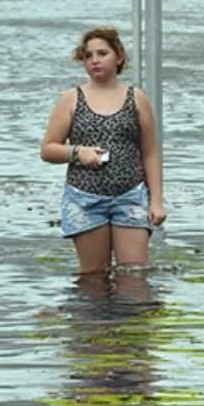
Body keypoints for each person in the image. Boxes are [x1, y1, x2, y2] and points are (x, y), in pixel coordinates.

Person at [41, 26, 167, 274]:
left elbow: (150, 153)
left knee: (134, 278)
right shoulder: (72, 98)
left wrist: (157, 201)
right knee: (93, 281)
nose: (95, 60)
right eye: (88, 56)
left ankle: (133, 312)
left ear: (119, 57)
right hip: (84, 199)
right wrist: (77, 152)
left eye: (102, 53)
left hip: (130, 196)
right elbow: (48, 149)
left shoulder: (136, 97)